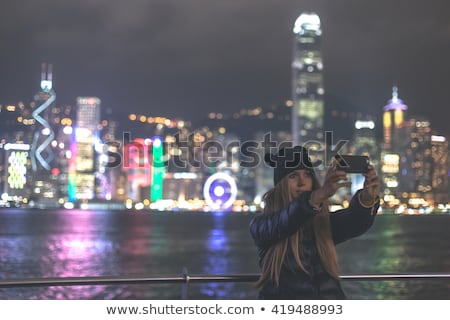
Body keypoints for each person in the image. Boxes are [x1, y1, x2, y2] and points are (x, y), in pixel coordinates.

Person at [249, 145, 380, 299]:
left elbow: (354, 222)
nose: (301, 182)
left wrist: (367, 198)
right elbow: (285, 220)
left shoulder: (321, 223)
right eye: (293, 176)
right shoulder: (262, 225)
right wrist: (320, 195)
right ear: (281, 185)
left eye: (307, 175)